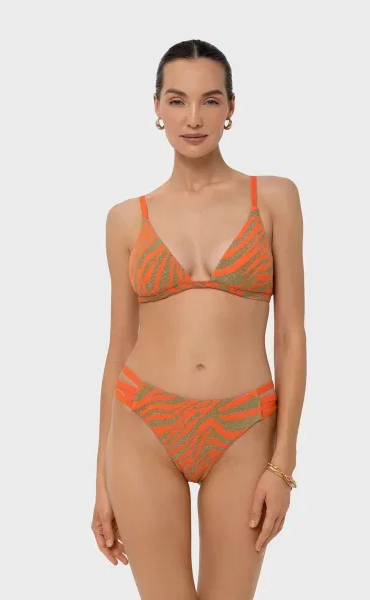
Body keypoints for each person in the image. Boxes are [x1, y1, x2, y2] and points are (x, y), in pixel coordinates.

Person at [91, 38, 306, 600]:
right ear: (157, 108)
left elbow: (290, 335)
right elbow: (118, 348)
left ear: (231, 108)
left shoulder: (274, 198)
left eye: (210, 100)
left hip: (244, 426)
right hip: (143, 425)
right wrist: (100, 481)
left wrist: (283, 465)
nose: (193, 118)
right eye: (177, 100)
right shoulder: (125, 220)